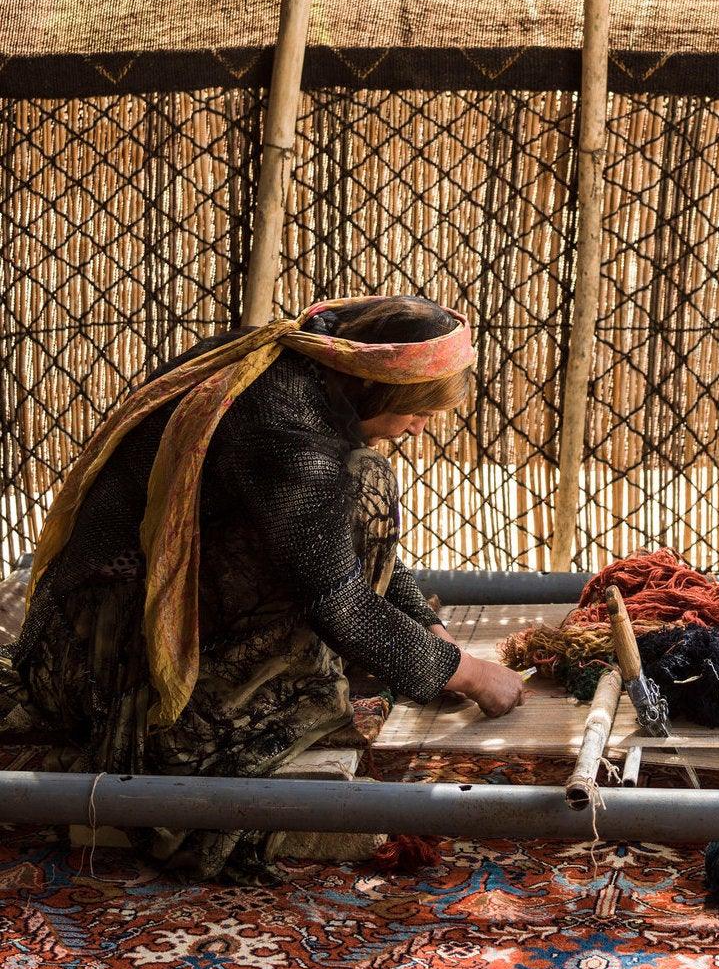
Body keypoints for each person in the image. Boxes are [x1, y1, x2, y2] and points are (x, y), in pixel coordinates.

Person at [0, 295, 526, 877]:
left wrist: (429, 635)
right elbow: (338, 600)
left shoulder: (285, 369)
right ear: (377, 388)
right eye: (417, 410)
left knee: (363, 482)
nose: (420, 426)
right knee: (370, 480)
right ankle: (210, 712)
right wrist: (473, 676)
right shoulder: (284, 432)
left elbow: (332, 550)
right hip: (122, 649)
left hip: (131, 608)